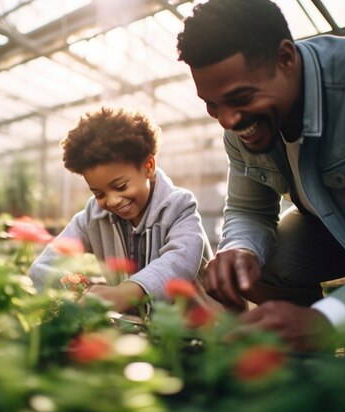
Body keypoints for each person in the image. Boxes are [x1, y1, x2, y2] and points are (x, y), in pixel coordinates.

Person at [176, 0, 345, 356]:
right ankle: (309, 368)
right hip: (343, 229)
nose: (227, 120)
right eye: (212, 104)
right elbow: (248, 210)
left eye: (240, 98)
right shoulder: (241, 124)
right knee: (259, 268)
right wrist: (239, 249)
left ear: (285, 59)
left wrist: (333, 316)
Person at [29, 106, 213, 314]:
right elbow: (43, 267)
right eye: (99, 194)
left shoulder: (179, 207)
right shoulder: (93, 217)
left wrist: (126, 293)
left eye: (121, 186)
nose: (112, 201)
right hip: (137, 333)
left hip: (195, 329)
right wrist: (81, 291)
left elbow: (180, 262)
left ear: (148, 166)